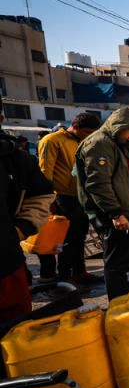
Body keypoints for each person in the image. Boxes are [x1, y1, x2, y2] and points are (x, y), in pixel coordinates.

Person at [76, 108, 129, 300]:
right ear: (120, 126)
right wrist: (115, 214)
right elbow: (98, 183)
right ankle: (118, 304)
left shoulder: (114, 142)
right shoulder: (99, 143)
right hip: (114, 213)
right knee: (117, 261)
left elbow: (115, 170)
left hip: (128, 209)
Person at [36, 112, 101, 288]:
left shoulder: (82, 141)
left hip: (81, 196)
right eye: (87, 132)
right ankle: (65, 278)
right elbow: (45, 172)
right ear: (76, 127)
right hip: (62, 197)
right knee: (67, 239)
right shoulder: (52, 140)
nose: (90, 136)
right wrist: (49, 201)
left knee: (80, 236)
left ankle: (79, 272)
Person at [0, 130, 53, 320]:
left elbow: (41, 194)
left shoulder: (15, 158)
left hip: (7, 266)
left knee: (14, 332)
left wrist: (19, 231)